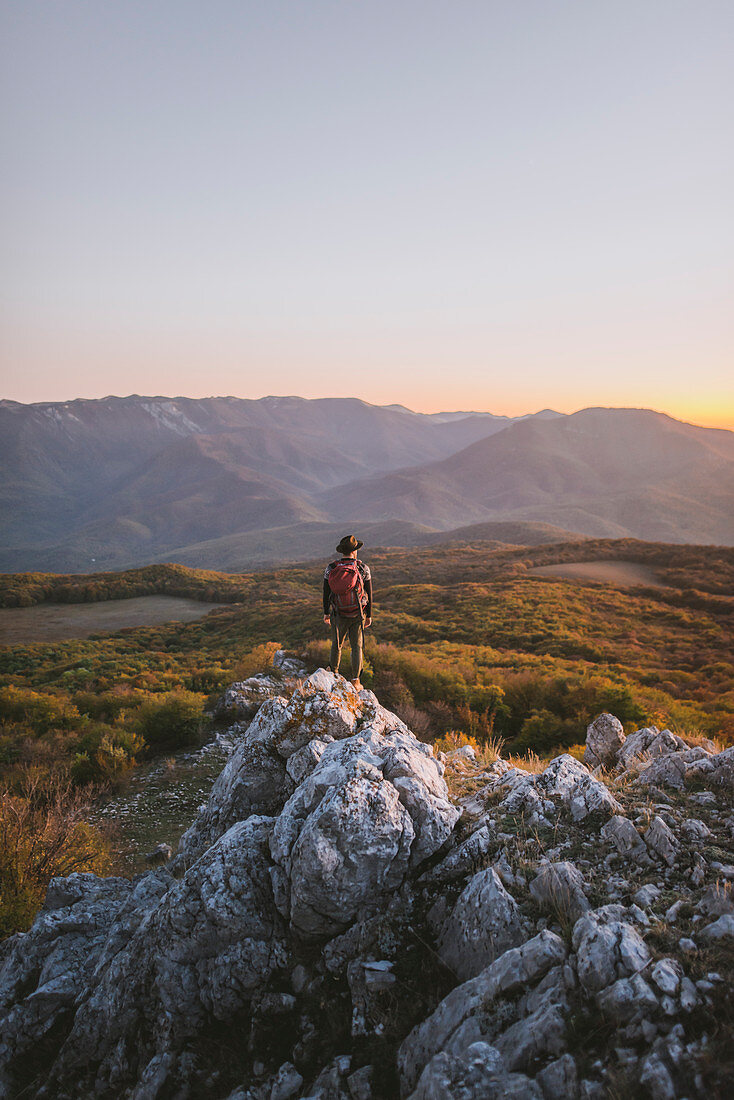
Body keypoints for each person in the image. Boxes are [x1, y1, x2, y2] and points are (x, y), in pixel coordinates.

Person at [323, 534, 372, 690]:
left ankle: (333, 673)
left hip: (338, 613)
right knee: (356, 647)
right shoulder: (363, 568)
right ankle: (356, 680)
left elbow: (325, 592)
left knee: (336, 644)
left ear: (342, 551)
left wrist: (326, 612)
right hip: (357, 614)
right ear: (354, 551)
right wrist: (369, 615)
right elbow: (369, 594)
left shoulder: (331, 568)